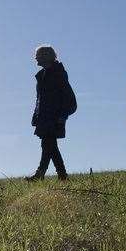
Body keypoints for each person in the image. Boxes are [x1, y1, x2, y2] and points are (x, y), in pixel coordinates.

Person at [27, 45, 76, 181]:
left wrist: (62, 116)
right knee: (51, 146)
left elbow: (68, 97)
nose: (35, 58)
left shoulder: (57, 73)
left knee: (48, 144)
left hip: (54, 116)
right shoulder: (43, 74)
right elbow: (40, 99)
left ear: (46, 56)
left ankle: (40, 173)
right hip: (45, 116)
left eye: (38, 55)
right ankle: (62, 176)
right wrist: (36, 116)